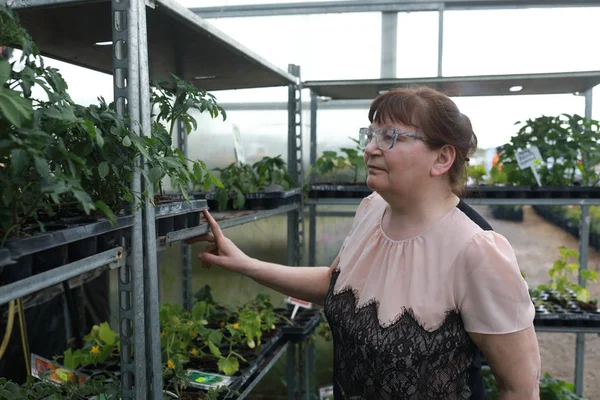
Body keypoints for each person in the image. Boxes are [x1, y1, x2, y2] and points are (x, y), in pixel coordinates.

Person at [186, 86, 541, 399]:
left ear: (442, 158)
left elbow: (521, 388)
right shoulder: (372, 211)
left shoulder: (476, 251)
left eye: (390, 137)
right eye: (369, 135)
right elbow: (338, 285)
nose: (370, 148)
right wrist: (245, 263)